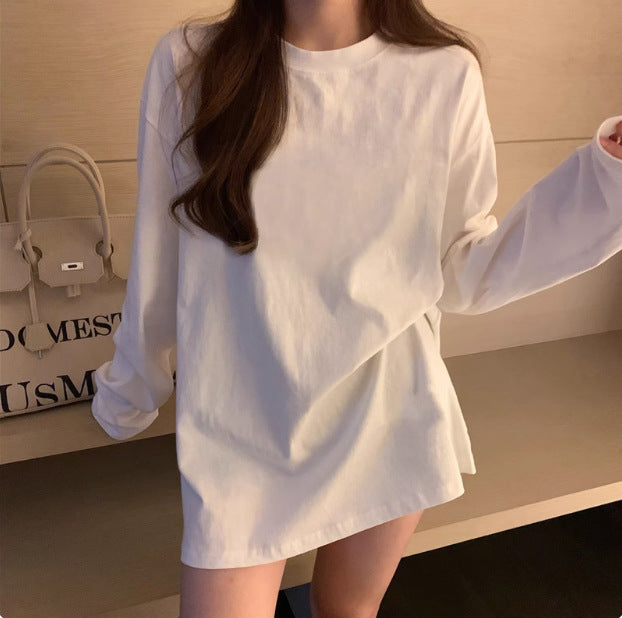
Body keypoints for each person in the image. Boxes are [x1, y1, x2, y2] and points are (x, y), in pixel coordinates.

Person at [90, 0, 622, 616]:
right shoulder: (191, 64)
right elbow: (160, 256)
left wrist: (606, 178)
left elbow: (462, 271)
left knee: (345, 610)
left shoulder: (444, 73)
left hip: (387, 410)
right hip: (240, 428)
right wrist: (131, 388)